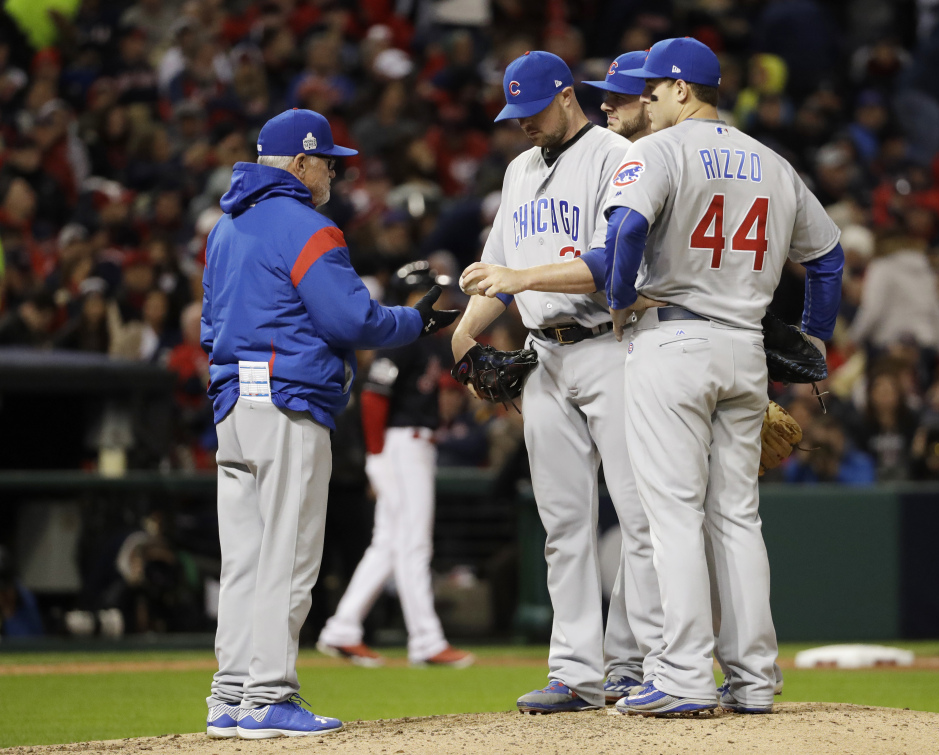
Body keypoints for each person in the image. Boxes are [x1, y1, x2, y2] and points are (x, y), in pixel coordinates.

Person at [601, 38, 843, 716]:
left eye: (653, 90)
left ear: (684, 90)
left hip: (672, 339)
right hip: (745, 351)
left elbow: (624, 231)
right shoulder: (773, 162)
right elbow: (826, 258)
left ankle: (680, 675)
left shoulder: (657, 151)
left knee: (672, 513)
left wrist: (620, 298)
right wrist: (812, 335)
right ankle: (754, 677)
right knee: (736, 516)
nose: (643, 100)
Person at [201, 108, 458, 739]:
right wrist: (415, 322)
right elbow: (352, 322)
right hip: (287, 405)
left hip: (233, 407)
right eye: (326, 161)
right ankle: (270, 696)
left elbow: (209, 323)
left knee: (244, 561)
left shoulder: (224, 229)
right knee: (287, 557)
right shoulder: (308, 226)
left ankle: (230, 696)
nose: (334, 173)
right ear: (298, 163)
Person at [452, 51, 665, 714]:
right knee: (562, 522)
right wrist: (463, 337)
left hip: (612, 345)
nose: (521, 124)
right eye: (512, 113)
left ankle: (634, 663)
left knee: (639, 515)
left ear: (566, 94)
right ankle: (575, 669)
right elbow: (497, 268)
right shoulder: (518, 170)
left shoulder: (613, 155)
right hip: (545, 356)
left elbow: (609, 267)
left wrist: (518, 281)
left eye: (532, 110)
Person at [316, 261, 474, 669]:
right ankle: (425, 639)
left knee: (388, 543)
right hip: (399, 445)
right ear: (413, 294)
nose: (442, 298)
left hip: (412, 443)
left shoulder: (424, 340)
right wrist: (376, 457)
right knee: (413, 544)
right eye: (432, 291)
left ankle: (343, 628)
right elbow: (373, 397)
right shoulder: (402, 336)